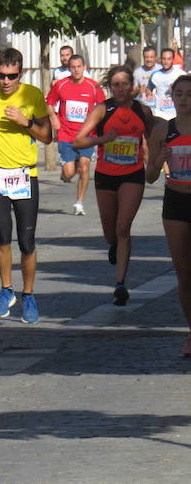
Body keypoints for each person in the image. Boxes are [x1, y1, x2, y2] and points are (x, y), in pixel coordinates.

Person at [0, 48, 52, 324]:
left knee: (27, 241)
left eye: (12, 76)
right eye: (2, 75)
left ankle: (28, 294)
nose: (6, 81)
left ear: (21, 73)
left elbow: (47, 136)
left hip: (24, 175)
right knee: (2, 236)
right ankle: (6, 289)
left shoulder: (32, 95)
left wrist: (25, 121)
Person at [73, 66, 152, 306]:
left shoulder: (143, 110)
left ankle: (120, 284)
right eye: (115, 84)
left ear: (132, 86)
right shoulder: (102, 110)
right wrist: (102, 140)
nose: (120, 88)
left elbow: (151, 137)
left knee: (123, 226)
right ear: (110, 87)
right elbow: (78, 140)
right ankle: (114, 245)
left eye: (124, 84)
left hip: (133, 174)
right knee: (110, 232)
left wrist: (155, 162)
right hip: (106, 176)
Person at [145, 74, 191, 357]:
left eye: (189, 94)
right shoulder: (163, 131)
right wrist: (159, 161)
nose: (184, 99)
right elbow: (149, 176)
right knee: (185, 275)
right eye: (180, 94)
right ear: (172, 97)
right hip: (175, 202)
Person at [46, 54, 105, 215]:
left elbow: (102, 108)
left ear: (84, 67)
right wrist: (54, 119)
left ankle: (79, 203)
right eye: (73, 67)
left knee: (85, 168)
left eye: (79, 66)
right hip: (66, 133)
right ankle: (67, 171)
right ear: (69, 69)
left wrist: (99, 127)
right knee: (69, 173)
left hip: (87, 134)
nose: (76, 70)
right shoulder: (61, 85)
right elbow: (49, 104)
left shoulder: (93, 87)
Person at [148, 48, 186, 123]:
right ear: (160, 59)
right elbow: (148, 90)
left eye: (169, 59)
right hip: (160, 115)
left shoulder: (181, 74)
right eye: (164, 59)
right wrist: (149, 95)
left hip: (176, 114)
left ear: (173, 59)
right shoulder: (155, 75)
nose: (166, 62)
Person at [133, 45, 160, 110]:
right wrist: (139, 91)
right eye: (146, 57)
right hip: (143, 108)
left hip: (159, 108)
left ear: (155, 57)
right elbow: (132, 92)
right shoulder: (137, 72)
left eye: (151, 57)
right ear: (143, 57)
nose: (149, 60)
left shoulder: (161, 70)